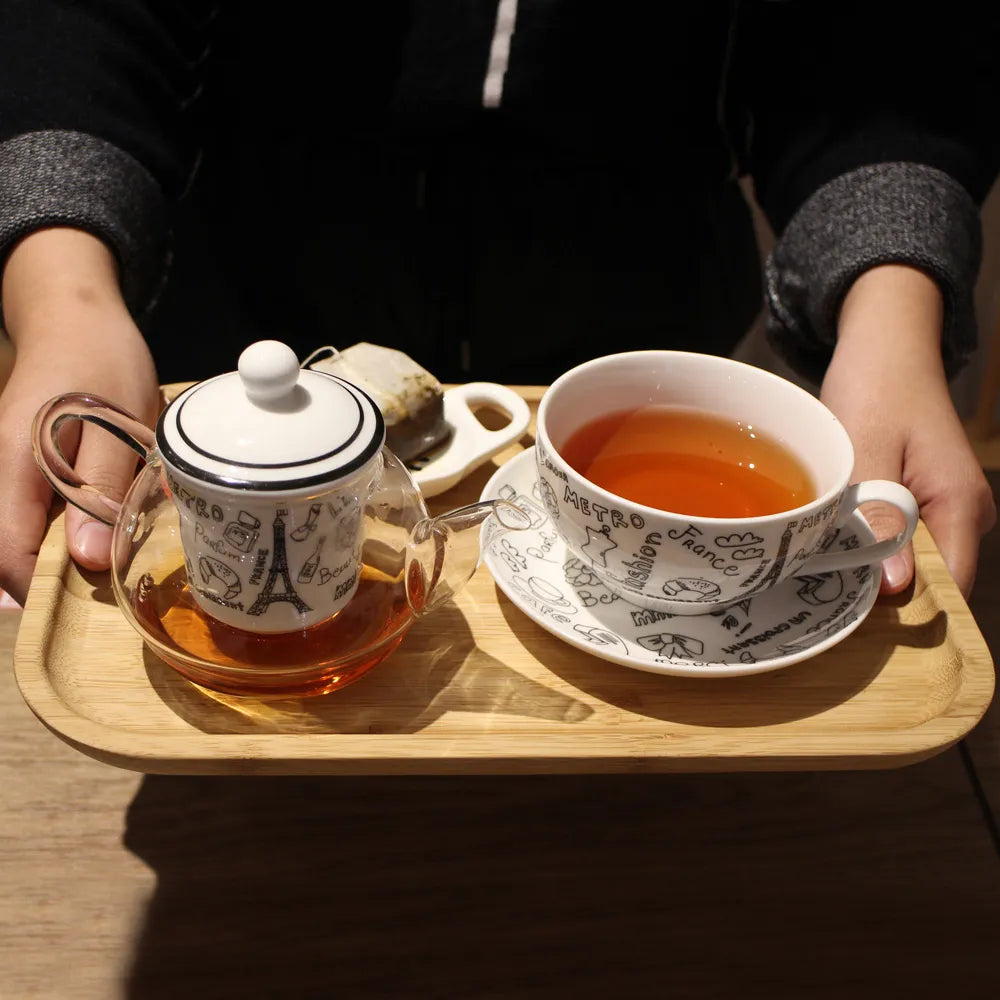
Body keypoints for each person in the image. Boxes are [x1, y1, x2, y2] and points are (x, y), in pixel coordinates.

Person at [0, 1, 997, 608]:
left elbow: (880, 41)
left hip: (646, 321)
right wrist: (64, 293)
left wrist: (892, 309)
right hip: (233, 308)